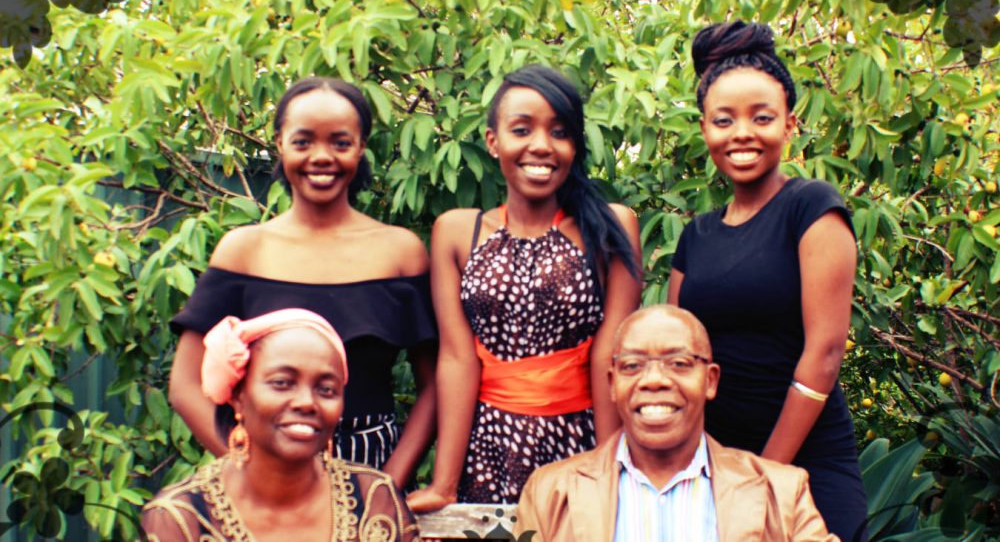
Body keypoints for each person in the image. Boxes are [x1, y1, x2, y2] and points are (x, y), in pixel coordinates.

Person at [169, 77, 437, 488]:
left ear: (361, 147)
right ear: (279, 143)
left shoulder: (400, 253)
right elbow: (185, 385)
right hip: (264, 480)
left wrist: (387, 487)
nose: (322, 156)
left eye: (341, 143)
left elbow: (435, 386)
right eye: (303, 141)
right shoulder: (244, 250)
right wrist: (251, 467)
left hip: (374, 474)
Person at [407, 65, 642, 510]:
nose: (541, 145)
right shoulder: (457, 232)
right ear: (494, 141)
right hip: (487, 443)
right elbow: (458, 358)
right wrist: (444, 484)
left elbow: (610, 355)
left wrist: (612, 469)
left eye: (559, 132)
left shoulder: (610, 227)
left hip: (579, 439)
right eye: (522, 129)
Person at [667, 21, 866, 540]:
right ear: (705, 128)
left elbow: (824, 353)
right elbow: (679, 355)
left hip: (805, 464)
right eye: (723, 119)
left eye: (762, 117)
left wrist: (764, 473)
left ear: (790, 124)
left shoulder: (812, 207)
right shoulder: (696, 235)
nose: (742, 134)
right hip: (709, 467)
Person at [515, 305, 835, 541]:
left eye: (679, 363)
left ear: (710, 381)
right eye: (632, 366)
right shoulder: (550, 491)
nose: (653, 380)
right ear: (612, 384)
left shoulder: (782, 492)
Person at [143, 308, 420, 541]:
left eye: (326, 389)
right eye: (282, 383)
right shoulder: (182, 519)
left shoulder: (373, 499)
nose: (306, 402)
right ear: (239, 396)